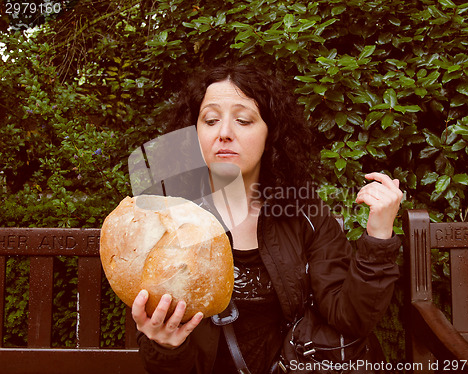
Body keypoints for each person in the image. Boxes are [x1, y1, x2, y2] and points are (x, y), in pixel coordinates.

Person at [131, 64, 403, 374]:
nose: (224, 133)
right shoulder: (168, 223)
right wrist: (165, 346)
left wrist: (379, 235)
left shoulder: (304, 215)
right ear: (194, 134)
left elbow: (351, 317)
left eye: (243, 120)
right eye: (210, 120)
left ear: (270, 133)